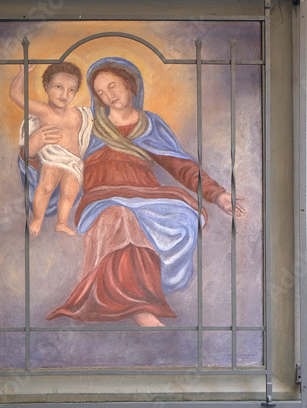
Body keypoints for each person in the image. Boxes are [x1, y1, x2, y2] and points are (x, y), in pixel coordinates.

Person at [37, 57, 244, 326]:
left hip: (148, 195)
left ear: (130, 85)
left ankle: (140, 304)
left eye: (112, 86)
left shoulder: (150, 124)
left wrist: (218, 195)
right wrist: (32, 147)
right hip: (103, 197)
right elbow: (55, 156)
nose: (108, 96)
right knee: (121, 216)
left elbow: (180, 164)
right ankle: (142, 310)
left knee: (169, 217)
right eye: (100, 92)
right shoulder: (88, 125)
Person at [10, 62, 93, 236]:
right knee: (46, 187)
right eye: (58, 87)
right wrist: (23, 73)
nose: (65, 94)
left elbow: (95, 123)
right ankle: (37, 219)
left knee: (69, 194)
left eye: (72, 89)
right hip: (54, 158)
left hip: (74, 162)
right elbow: (16, 95)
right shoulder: (44, 110)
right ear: (47, 86)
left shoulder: (79, 114)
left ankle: (61, 223)